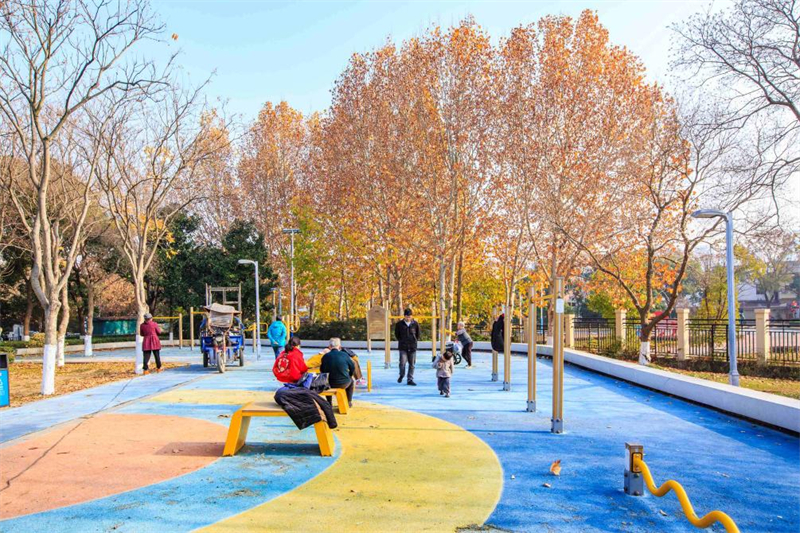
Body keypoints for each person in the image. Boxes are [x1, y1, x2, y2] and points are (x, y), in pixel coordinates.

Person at [320, 337, 356, 407]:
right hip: (344, 383)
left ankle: (329, 402)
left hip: (330, 383)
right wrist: (349, 375)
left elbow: (322, 370)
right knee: (351, 381)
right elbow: (352, 367)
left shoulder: (325, 356)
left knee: (326, 381)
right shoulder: (345, 355)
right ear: (339, 346)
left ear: (329, 347)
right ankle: (348, 401)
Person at [394, 308, 420, 386]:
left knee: (412, 364)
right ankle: (402, 374)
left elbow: (418, 334)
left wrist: (414, 341)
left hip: (412, 347)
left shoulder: (415, 324)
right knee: (402, 363)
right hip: (403, 347)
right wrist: (402, 340)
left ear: (411, 316)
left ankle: (410, 379)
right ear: (404, 316)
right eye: (406, 316)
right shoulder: (399, 324)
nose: (408, 318)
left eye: (409, 316)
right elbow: (397, 334)